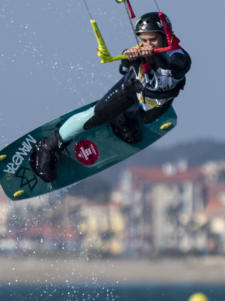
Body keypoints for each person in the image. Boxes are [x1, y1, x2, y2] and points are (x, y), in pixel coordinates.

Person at [29, 11, 191, 183]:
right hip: (130, 89)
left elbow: (172, 66)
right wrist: (129, 56)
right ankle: (48, 146)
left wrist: (152, 55)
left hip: (158, 100)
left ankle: (123, 118)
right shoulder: (141, 50)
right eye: (144, 40)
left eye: (153, 40)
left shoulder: (180, 57)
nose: (147, 44)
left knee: (145, 119)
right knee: (97, 115)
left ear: (165, 36)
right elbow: (124, 63)